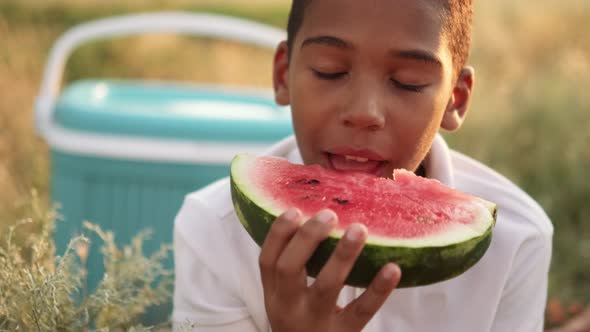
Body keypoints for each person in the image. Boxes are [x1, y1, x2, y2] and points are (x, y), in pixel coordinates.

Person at [172, 0, 554, 331]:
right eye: (329, 71)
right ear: (282, 74)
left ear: (455, 99)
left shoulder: (515, 242)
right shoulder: (214, 229)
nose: (363, 113)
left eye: (407, 82)